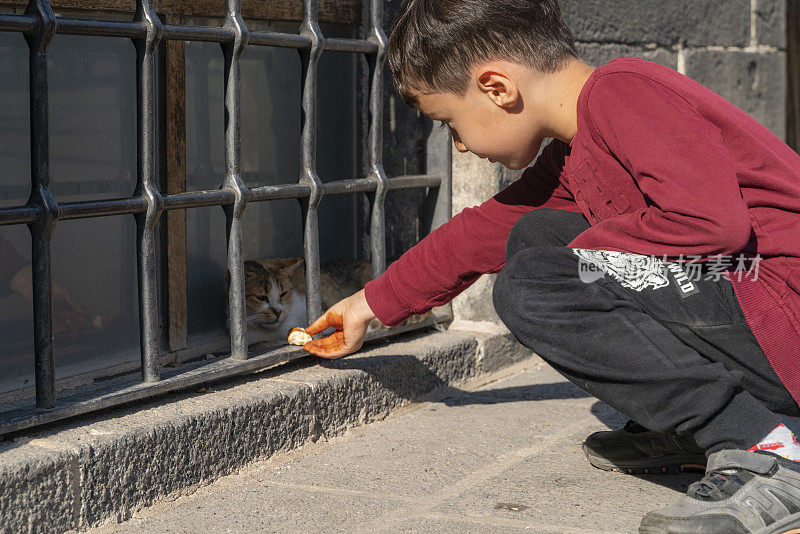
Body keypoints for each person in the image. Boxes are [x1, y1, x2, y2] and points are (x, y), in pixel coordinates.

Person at [303, 0, 800, 531]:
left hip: (779, 311)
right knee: (536, 239)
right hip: (750, 313)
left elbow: (709, 226)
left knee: (535, 283)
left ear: (497, 87)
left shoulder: (626, 91)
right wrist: (369, 304)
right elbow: (487, 230)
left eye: (449, 122)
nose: (461, 146)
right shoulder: (576, 149)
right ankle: (686, 430)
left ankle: (766, 449)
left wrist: (582, 257)